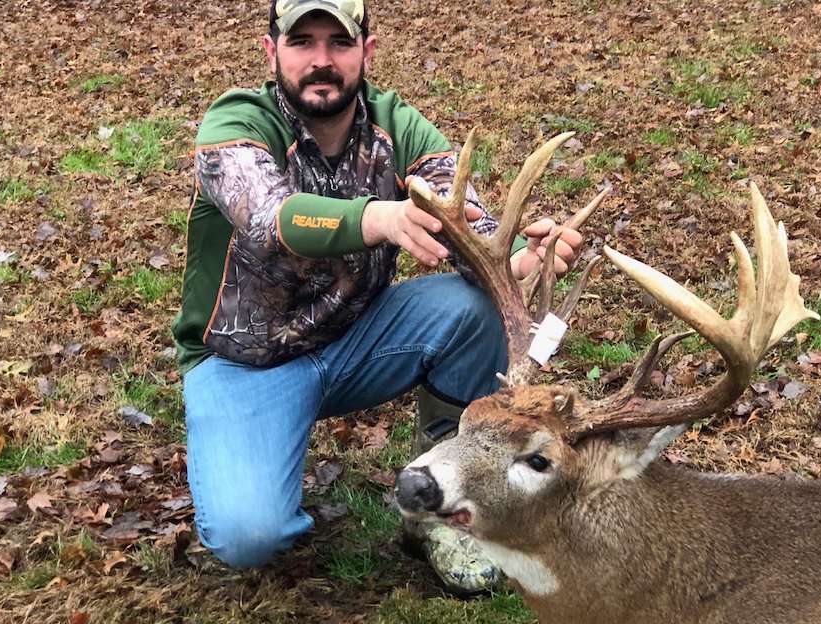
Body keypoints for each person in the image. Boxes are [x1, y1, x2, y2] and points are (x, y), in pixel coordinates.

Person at [171, 0, 583, 593]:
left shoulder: (400, 128)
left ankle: (442, 499)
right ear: (271, 52)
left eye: (339, 44)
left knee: (472, 309)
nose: (321, 61)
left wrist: (517, 260)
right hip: (244, 366)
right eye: (302, 42)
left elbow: (466, 223)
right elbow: (268, 217)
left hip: (357, 342)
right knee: (248, 535)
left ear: (367, 51)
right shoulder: (237, 123)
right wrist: (381, 217)